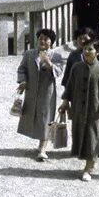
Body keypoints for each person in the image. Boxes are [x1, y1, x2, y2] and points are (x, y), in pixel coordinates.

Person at [59, 41, 99, 182]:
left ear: (97, 52)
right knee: (80, 136)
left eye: (90, 49)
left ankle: (87, 168)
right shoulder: (77, 68)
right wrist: (65, 102)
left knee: (93, 137)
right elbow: (70, 87)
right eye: (84, 49)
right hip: (79, 109)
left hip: (96, 111)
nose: (86, 52)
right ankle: (91, 161)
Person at [17, 29, 65, 161]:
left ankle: (43, 148)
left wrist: (49, 63)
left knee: (46, 117)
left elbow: (59, 71)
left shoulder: (56, 56)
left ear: (51, 42)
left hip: (47, 91)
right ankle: (40, 144)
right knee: (33, 115)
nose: (42, 41)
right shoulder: (29, 54)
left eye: (46, 39)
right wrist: (23, 81)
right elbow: (22, 69)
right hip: (32, 91)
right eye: (40, 39)